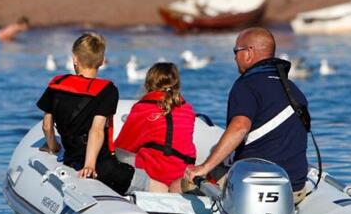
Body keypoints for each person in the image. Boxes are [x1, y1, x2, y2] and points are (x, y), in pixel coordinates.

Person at [185, 28, 310, 203]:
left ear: (249, 53)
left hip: (254, 189)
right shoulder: (293, 90)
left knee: (182, 183)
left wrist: (204, 167)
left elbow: (240, 127)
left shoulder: (246, 85)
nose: (235, 58)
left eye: (236, 51)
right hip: (294, 188)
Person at [36, 32, 150, 195]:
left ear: (75, 59)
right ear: (102, 61)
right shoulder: (107, 91)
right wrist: (89, 165)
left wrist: (53, 146)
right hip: (103, 168)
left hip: (72, 161)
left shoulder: (57, 84)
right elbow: (96, 130)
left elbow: (47, 126)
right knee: (149, 181)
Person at [115, 63, 196, 193]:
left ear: (148, 84)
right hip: (182, 175)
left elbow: (122, 147)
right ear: (177, 84)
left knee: (114, 161)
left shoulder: (142, 108)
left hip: (154, 178)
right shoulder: (188, 109)